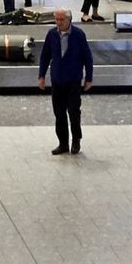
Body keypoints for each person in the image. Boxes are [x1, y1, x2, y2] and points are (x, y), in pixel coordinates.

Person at [37, 9, 93, 155]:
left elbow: (87, 57)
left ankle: (76, 140)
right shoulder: (51, 35)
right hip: (57, 80)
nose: (59, 23)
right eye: (56, 20)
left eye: (61, 20)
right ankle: (63, 143)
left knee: (74, 112)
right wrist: (41, 76)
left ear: (69, 20)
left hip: (73, 80)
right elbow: (45, 56)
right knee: (59, 113)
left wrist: (89, 78)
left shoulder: (79, 35)